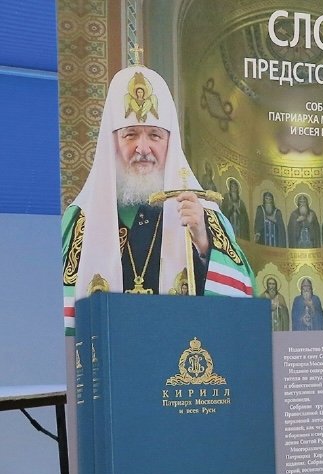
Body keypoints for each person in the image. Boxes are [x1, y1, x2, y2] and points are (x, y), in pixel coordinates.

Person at [60, 63, 253, 333]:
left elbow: (242, 302)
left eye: (154, 135)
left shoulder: (204, 216)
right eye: (130, 135)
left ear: (170, 143)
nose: (143, 148)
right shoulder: (81, 220)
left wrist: (203, 242)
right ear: (112, 142)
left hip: (181, 354)